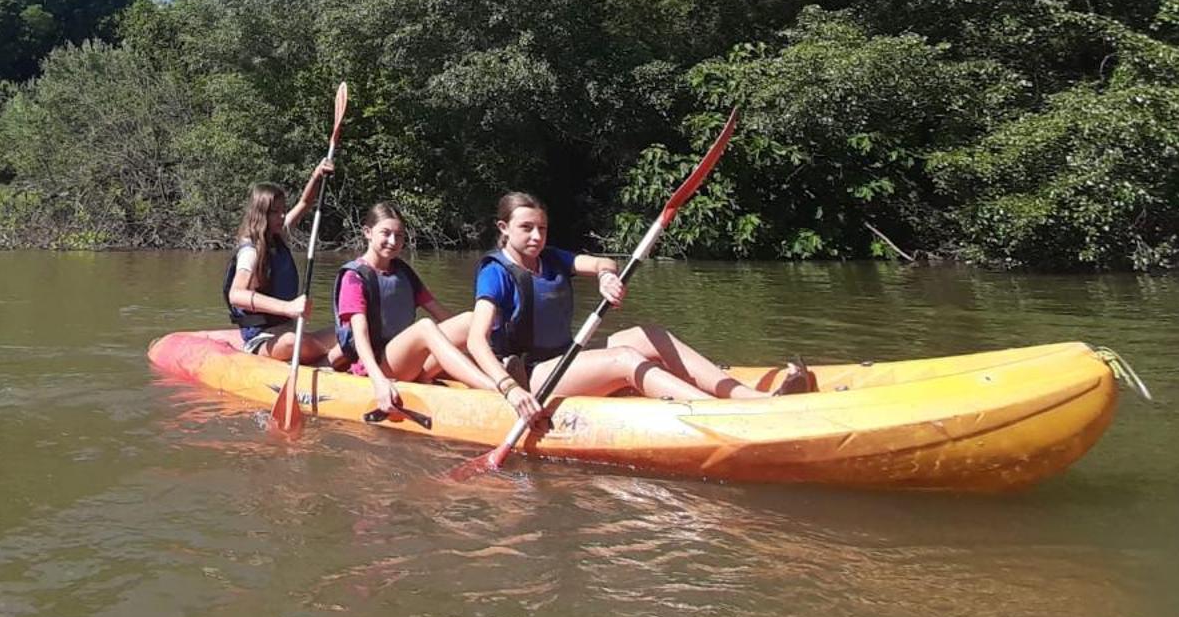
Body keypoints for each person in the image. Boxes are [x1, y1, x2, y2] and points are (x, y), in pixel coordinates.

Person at [465, 191, 814, 429]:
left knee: (648, 334)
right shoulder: (496, 273)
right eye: (526, 228)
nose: (536, 237)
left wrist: (605, 277)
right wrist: (509, 388)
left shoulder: (552, 258)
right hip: (535, 373)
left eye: (541, 228)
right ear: (504, 228)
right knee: (625, 357)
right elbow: (478, 341)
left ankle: (754, 398)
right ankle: (721, 414)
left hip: (565, 357)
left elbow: (603, 262)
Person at [336, 202, 506, 414]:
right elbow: (360, 336)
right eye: (386, 233)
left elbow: (442, 315)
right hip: (376, 366)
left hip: (407, 361)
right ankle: (496, 389)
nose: (393, 241)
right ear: (368, 233)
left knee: (470, 320)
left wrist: (478, 346)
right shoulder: (354, 278)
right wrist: (378, 381)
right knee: (425, 327)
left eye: (399, 236)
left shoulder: (403, 273)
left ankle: (498, 372)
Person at [223, 160, 340, 363]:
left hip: (288, 331)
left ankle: (334, 354)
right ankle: (329, 359)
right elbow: (236, 295)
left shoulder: (279, 234)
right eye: (275, 212)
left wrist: (317, 176)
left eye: (283, 209)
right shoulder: (250, 250)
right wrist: (287, 308)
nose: (282, 215)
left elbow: (305, 203)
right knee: (291, 342)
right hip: (262, 339)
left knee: (349, 331)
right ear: (260, 214)